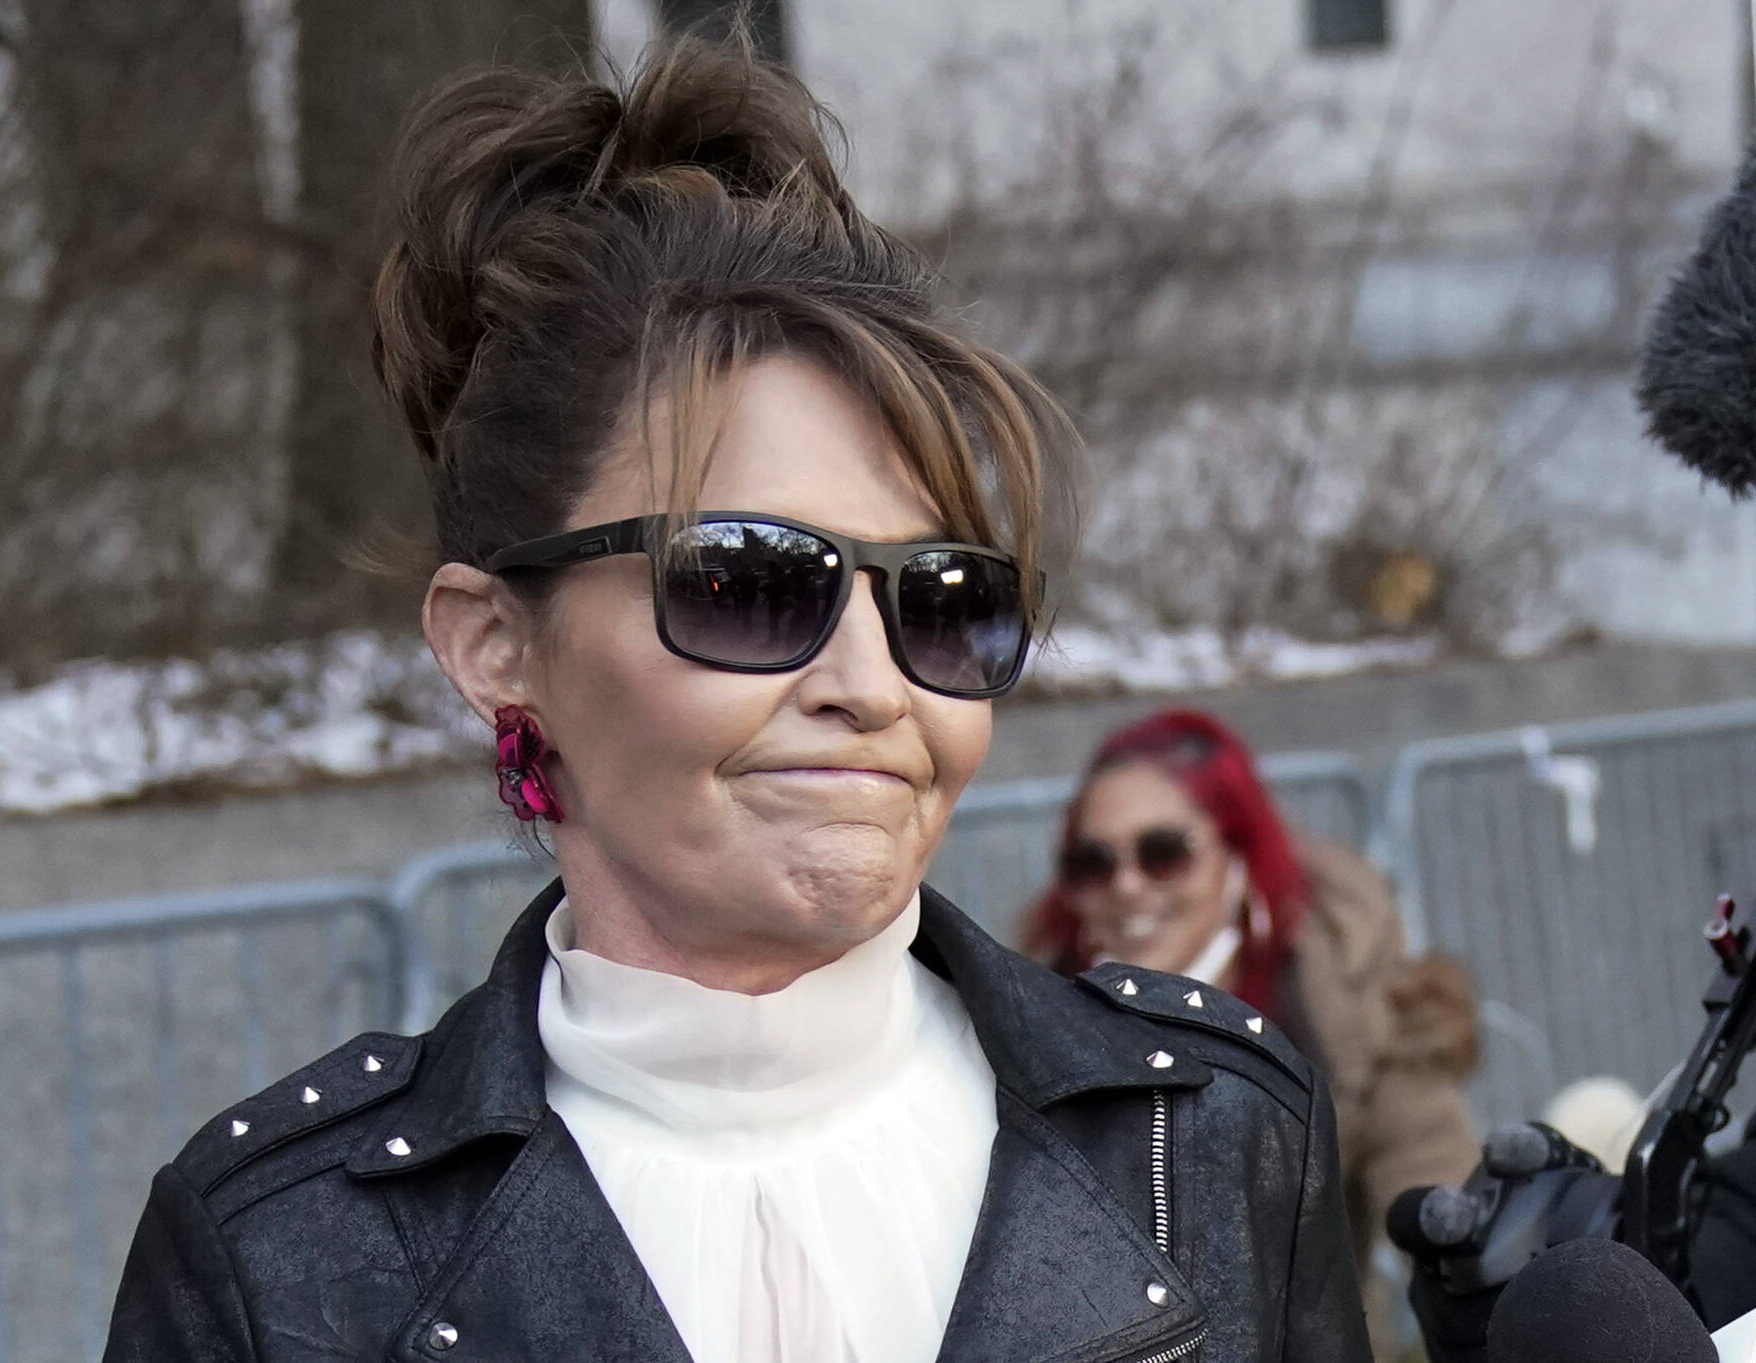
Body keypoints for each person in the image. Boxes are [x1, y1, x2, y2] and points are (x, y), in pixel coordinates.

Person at [102, 42, 1369, 1363]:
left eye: (943, 597)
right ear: (493, 641)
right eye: (751, 581)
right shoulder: (280, 1249)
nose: (872, 685)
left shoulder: (1216, 1126)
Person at [1020, 709, 1480, 1361]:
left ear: (1236, 856)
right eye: (1091, 862)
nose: (1126, 886)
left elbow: (1441, 1203)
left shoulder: (1347, 1001)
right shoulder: (1028, 1023)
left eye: (1164, 852)